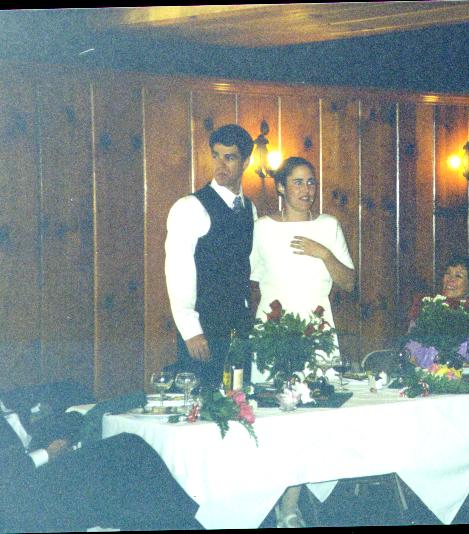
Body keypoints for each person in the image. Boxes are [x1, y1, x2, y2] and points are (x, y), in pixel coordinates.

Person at [249, 156, 355, 527]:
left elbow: (349, 282)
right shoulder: (262, 228)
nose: (306, 189)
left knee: (309, 418)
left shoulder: (328, 225)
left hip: (317, 330)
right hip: (274, 328)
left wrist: (323, 253)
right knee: (271, 415)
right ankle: (263, 500)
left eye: (311, 182)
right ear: (280, 187)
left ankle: (290, 507)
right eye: (297, 182)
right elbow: (252, 275)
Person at [0, 395, 201, 532]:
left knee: (127, 451)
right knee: (126, 452)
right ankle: (182, 521)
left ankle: (178, 520)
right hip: (20, 494)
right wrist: (47, 453)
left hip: (30, 470)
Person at [165, 124, 257, 387]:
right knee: (202, 402)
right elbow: (178, 271)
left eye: (230, 157)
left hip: (238, 328)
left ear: (246, 162)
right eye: (216, 156)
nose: (220, 165)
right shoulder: (190, 207)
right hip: (204, 329)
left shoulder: (250, 209)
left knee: (240, 398)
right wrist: (191, 331)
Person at [405, 254, 469, 368]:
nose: (450, 279)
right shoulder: (427, 310)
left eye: (458, 276)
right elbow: (410, 351)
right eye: (447, 273)